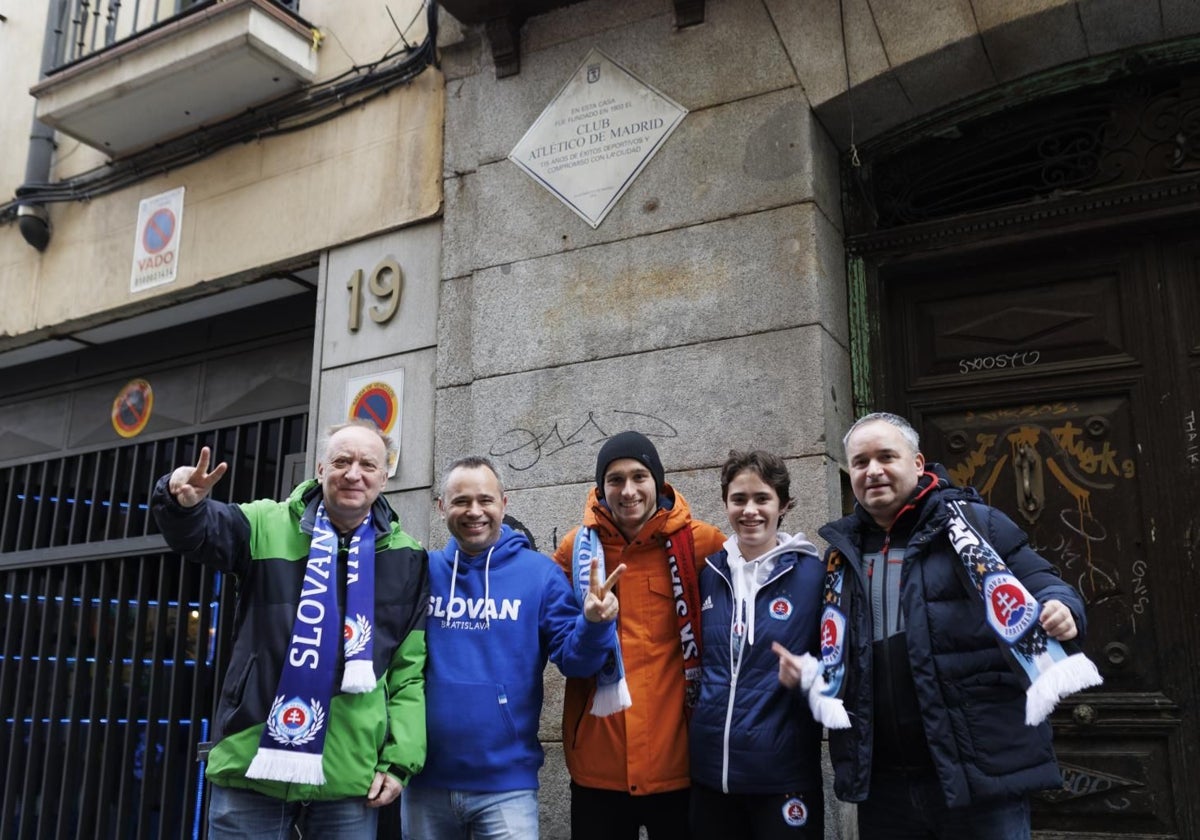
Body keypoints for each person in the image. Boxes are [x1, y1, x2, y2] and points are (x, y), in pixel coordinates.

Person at [776, 412, 1089, 839]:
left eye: (886, 456)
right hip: (884, 782)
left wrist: (1062, 607)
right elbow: (840, 650)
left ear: (918, 463)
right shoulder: (839, 554)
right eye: (862, 462)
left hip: (977, 772)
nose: (874, 470)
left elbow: (1042, 581)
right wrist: (808, 671)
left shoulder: (976, 525)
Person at [151, 420, 428, 839]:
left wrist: (400, 761)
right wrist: (180, 502)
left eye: (368, 464)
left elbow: (409, 671)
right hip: (251, 762)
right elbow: (202, 533)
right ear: (320, 469)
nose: (353, 473)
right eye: (341, 461)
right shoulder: (266, 523)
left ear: (385, 476)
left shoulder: (408, 558)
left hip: (347, 774)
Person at [403, 456, 624, 840]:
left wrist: (594, 624)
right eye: (460, 501)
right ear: (441, 508)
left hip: (506, 788)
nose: (475, 511)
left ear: (505, 503)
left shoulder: (539, 575)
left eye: (485, 500)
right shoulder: (423, 572)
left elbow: (575, 662)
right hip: (424, 783)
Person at [553, 431, 726, 840]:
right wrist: (592, 626)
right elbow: (566, 658)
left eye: (639, 477)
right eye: (615, 480)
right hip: (599, 767)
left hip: (679, 765)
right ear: (601, 487)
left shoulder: (703, 544)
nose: (627, 491)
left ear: (658, 482)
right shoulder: (573, 551)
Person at [688, 450, 826, 839]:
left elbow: (846, 668)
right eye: (739, 499)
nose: (750, 510)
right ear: (726, 504)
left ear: (783, 505)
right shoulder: (709, 574)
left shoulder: (813, 576)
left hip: (783, 778)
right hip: (711, 777)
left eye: (762, 498)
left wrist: (811, 676)